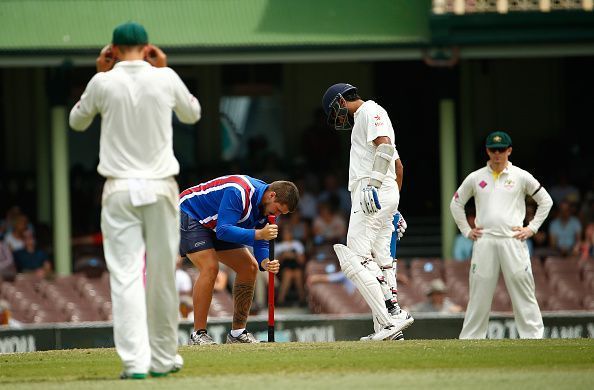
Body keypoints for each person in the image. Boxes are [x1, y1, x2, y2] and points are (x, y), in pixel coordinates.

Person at [69, 21, 201, 379]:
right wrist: (163, 69)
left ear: (111, 49)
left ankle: (135, 363)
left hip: (120, 189)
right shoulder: (166, 75)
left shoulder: (102, 81)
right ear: (147, 48)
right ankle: (162, 358)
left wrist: (99, 75)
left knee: (126, 275)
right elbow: (193, 113)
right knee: (162, 274)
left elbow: (76, 121)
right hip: (160, 187)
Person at [321, 83, 413, 341]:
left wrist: (373, 186)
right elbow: (399, 167)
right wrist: (394, 207)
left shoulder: (369, 111)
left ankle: (392, 316)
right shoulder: (369, 116)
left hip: (370, 191)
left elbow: (384, 147)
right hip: (384, 193)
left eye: (333, 110)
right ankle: (390, 328)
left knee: (355, 257)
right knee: (382, 259)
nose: (336, 118)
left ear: (340, 100)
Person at [450, 131, 553, 339]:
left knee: (523, 290)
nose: (497, 154)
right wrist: (466, 230)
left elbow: (546, 201)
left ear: (509, 150)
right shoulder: (476, 177)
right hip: (485, 240)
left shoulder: (521, 176)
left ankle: (533, 337)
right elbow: (456, 203)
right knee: (479, 293)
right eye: (493, 150)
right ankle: (471, 339)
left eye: (501, 150)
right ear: (487, 151)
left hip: (512, 240)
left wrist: (531, 228)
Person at [178, 175, 299, 345]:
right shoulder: (239, 192)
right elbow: (224, 231)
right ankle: (198, 334)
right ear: (272, 195)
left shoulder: (268, 207)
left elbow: (261, 241)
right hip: (190, 213)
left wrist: (265, 262)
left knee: (250, 267)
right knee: (210, 267)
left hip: (217, 224)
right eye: (278, 210)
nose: (277, 215)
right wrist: (259, 234)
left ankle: (237, 333)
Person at [276, 225, 307, 305]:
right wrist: (283, 256)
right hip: (284, 267)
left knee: (298, 273)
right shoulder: (278, 246)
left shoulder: (297, 244)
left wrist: (294, 255)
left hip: (296, 266)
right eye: (285, 233)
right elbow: (275, 261)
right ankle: (280, 300)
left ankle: (302, 299)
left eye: (288, 233)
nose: (287, 235)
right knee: (288, 274)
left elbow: (302, 261)